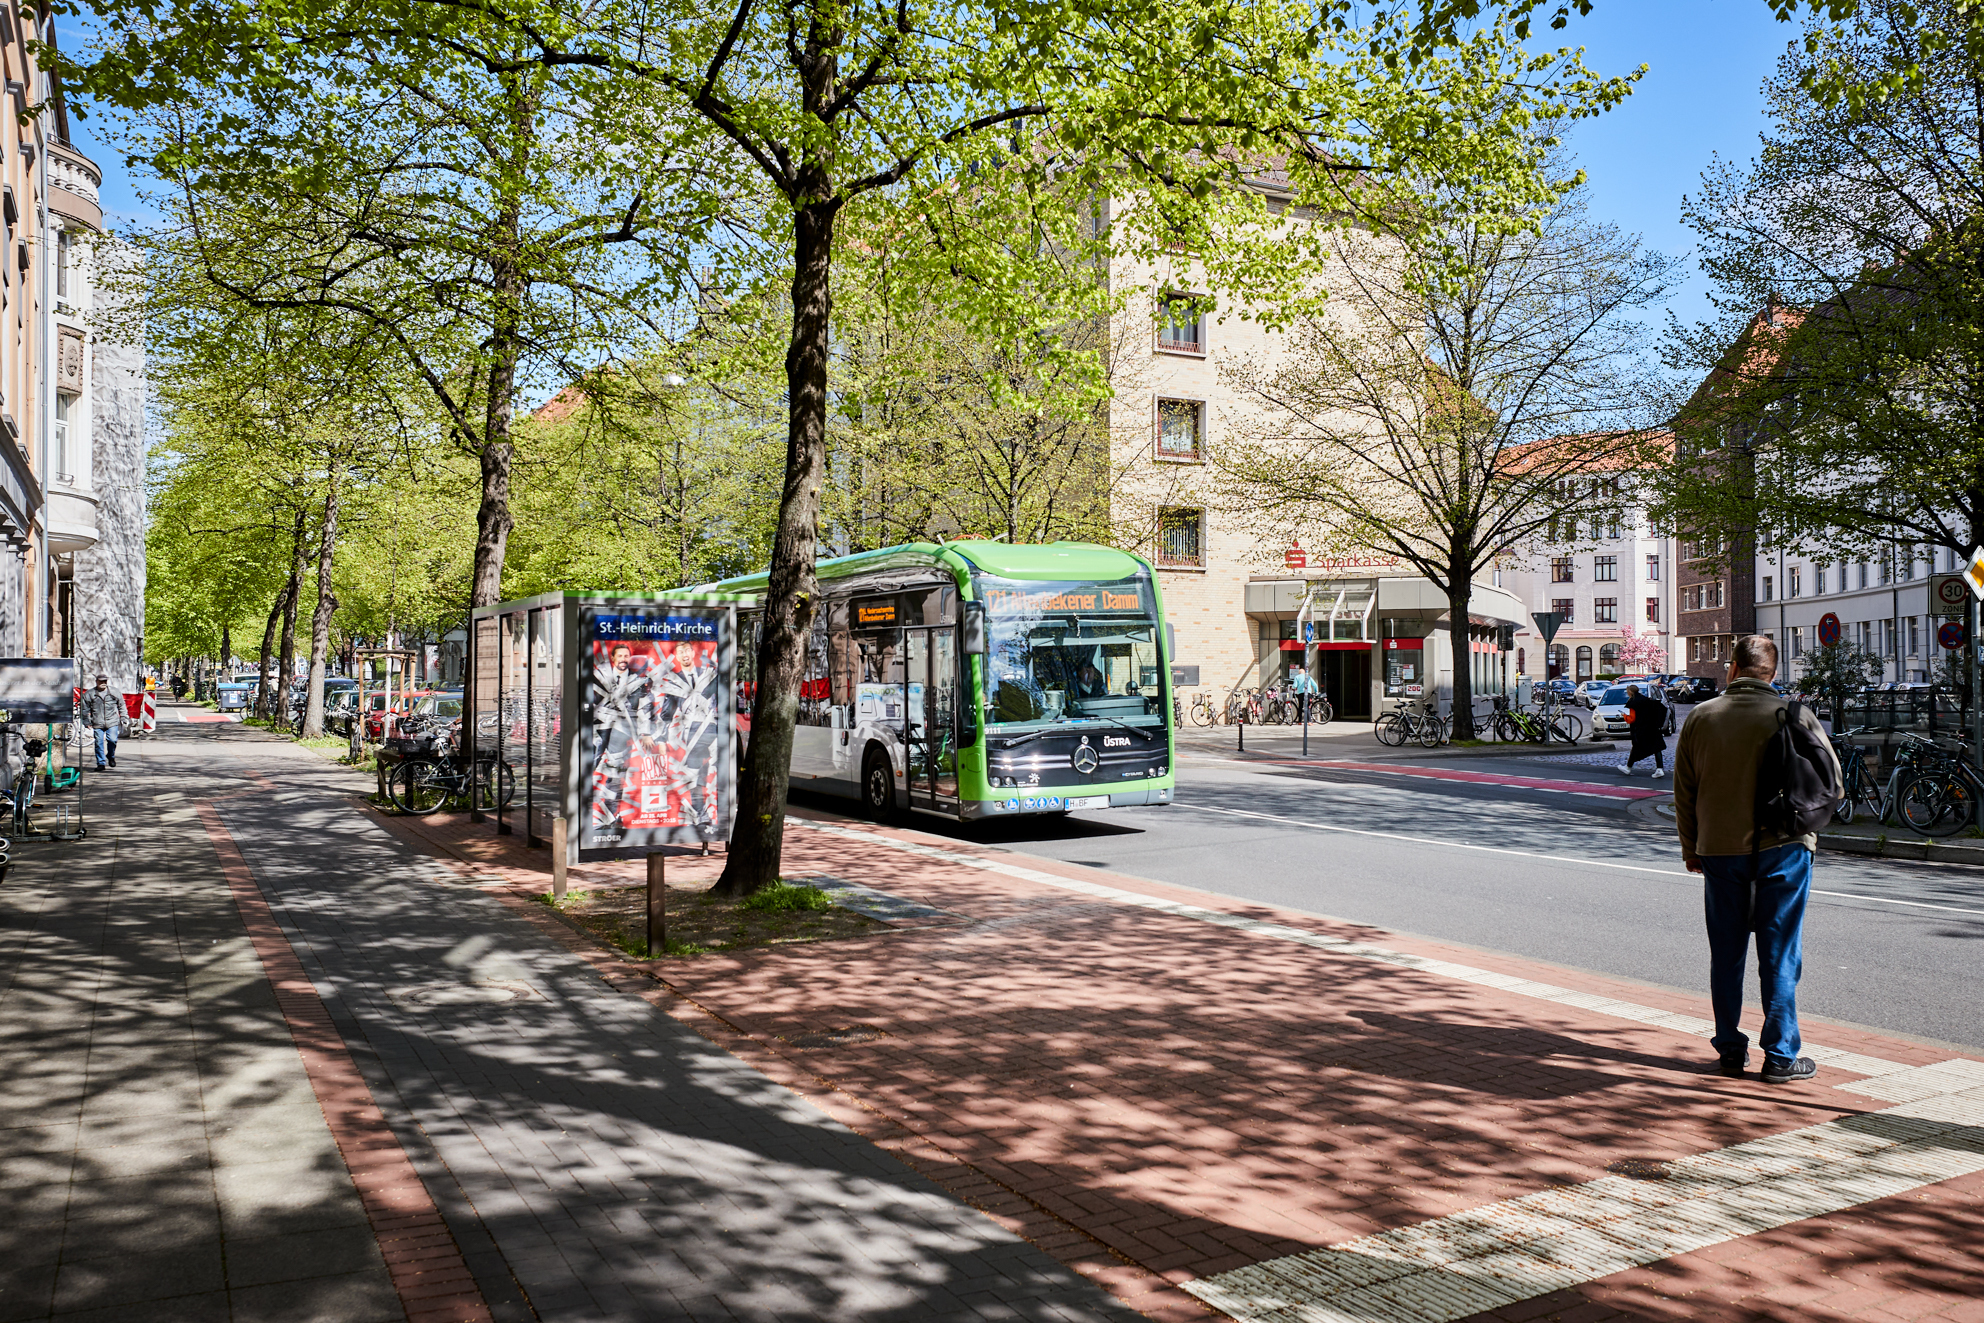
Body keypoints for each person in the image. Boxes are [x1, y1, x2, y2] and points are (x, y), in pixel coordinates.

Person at [1673, 635, 1843, 1085]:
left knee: (1726, 953)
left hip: (1719, 850)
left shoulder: (1701, 717)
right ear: (1773, 671)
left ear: (1732, 668)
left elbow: (1684, 793)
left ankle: (1730, 1049)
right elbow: (1834, 784)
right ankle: (1781, 1056)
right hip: (1785, 848)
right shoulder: (1795, 715)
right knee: (1780, 951)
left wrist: (1692, 848)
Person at [1621, 683, 1669, 777]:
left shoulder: (1633, 702)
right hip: (1652, 728)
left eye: (1627, 692)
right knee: (1657, 748)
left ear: (1630, 692)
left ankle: (1628, 767)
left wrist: (1624, 716)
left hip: (1641, 729)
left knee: (1636, 747)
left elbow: (1632, 719)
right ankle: (1659, 769)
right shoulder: (1646, 700)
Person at [80, 674, 125, 770]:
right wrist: (86, 721)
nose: (103, 683)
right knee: (98, 743)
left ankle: (111, 756)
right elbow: (84, 709)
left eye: (105, 681)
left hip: (112, 721)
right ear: (96, 681)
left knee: (112, 740)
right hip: (97, 722)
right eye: (101, 681)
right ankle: (101, 763)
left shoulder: (114, 692)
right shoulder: (90, 694)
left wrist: (124, 718)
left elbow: (122, 705)